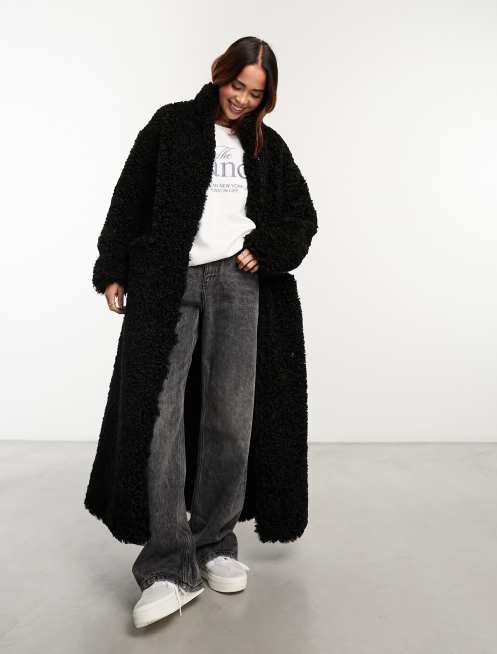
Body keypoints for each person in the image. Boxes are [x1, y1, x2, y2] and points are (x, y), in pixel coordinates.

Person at [84, 36, 318, 629]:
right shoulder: (171, 126)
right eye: (237, 85)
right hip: (171, 282)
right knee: (160, 416)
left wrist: (266, 248)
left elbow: (302, 216)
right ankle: (167, 564)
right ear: (220, 75)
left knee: (232, 418)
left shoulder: (266, 145)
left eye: (256, 93)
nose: (242, 100)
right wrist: (113, 268)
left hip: (239, 285)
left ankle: (214, 543)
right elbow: (129, 197)